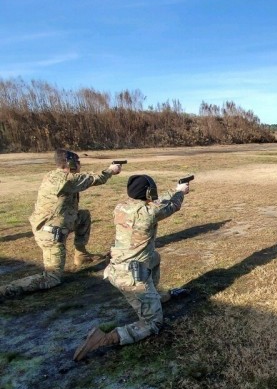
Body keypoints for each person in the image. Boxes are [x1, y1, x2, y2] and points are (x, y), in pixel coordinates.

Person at [73, 174, 190, 361]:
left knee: (154, 257)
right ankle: (103, 338)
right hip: (131, 277)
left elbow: (156, 202)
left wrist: (175, 188)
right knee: (153, 323)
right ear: (149, 192)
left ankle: (155, 297)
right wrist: (180, 193)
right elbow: (171, 206)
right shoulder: (149, 213)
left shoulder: (121, 207)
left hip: (119, 267)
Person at [0, 149, 122, 298]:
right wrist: (111, 170)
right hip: (50, 234)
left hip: (57, 224)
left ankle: (81, 254)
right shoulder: (66, 180)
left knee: (83, 216)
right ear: (70, 163)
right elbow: (94, 179)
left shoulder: (53, 175)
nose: (80, 165)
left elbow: (81, 177)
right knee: (52, 278)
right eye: (78, 162)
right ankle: (7, 289)